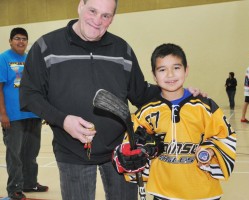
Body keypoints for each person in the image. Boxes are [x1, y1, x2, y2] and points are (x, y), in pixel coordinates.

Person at [19, 1, 203, 199]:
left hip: (121, 150)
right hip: (71, 152)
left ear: (113, 18)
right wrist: (63, 121)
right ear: (80, 6)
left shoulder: (122, 49)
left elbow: (141, 93)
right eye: (93, 11)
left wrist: (180, 94)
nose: (97, 21)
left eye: (106, 16)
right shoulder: (46, 46)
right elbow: (29, 95)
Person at [113, 43, 237, 200]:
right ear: (154, 76)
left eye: (176, 68)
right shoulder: (146, 112)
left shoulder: (205, 106)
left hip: (203, 192)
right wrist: (134, 155)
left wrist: (211, 150)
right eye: (162, 70)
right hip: (163, 192)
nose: (170, 75)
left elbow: (225, 136)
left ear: (186, 70)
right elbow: (129, 145)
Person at [0, 28, 48, 200]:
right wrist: (3, 114)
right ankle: (14, 188)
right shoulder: (3, 58)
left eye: (24, 39)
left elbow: (39, 86)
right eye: (17, 38)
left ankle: (30, 183)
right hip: (13, 115)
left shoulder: (31, 59)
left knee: (31, 152)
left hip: (32, 113)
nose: (21, 42)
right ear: (10, 41)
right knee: (15, 154)